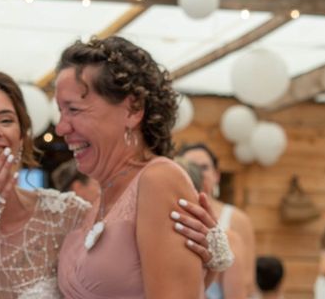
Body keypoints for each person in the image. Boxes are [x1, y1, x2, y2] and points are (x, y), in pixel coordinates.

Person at [0, 66, 224, 298]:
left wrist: (208, 260)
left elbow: (134, 289)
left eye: (6, 120)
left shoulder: (66, 215)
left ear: (20, 137)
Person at [55, 36, 231, 297]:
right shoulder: (97, 203)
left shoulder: (159, 180)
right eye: (60, 111)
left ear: (133, 109)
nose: (61, 128)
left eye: (74, 109)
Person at [180, 142, 257, 296]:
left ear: (216, 175)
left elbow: (248, 280)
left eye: (204, 167)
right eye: (192, 167)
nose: (199, 173)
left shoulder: (237, 219)